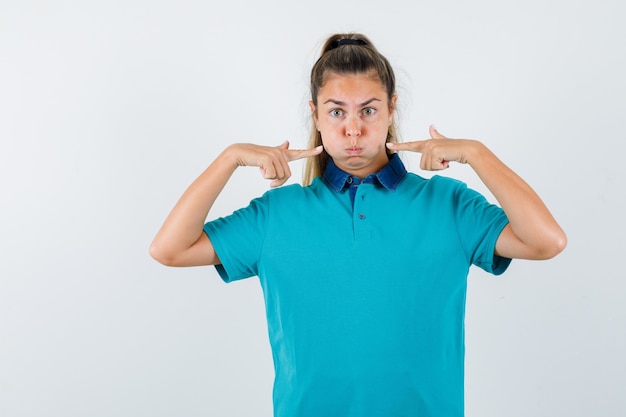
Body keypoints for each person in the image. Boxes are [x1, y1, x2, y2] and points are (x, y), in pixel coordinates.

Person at [150, 33, 566, 417]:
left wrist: (476, 153)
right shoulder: (277, 214)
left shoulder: (448, 204)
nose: (353, 129)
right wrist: (229, 158)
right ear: (315, 114)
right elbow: (170, 249)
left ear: (390, 110)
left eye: (368, 109)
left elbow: (546, 241)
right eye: (336, 112)